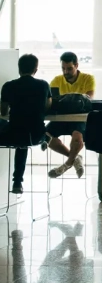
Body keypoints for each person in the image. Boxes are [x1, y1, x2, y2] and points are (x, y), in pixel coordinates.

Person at [0, 54, 51, 194]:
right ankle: (17, 182)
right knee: (23, 137)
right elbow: (48, 107)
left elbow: (3, 110)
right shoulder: (43, 85)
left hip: (12, 135)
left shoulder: (8, 86)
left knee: (16, 131)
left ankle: (17, 182)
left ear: (19, 69)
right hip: (35, 136)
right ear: (35, 69)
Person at [43, 51, 95, 179]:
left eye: (69, 69)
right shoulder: (57, 80)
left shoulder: (88, 79)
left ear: (77, 65)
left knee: (78, 138)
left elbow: (89, 99)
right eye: (63, 68)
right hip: (61, 118)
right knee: (45, 137)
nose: (66, 72)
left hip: (79, 118)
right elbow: (51, 102)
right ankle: (74, 158)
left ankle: (66, 165)